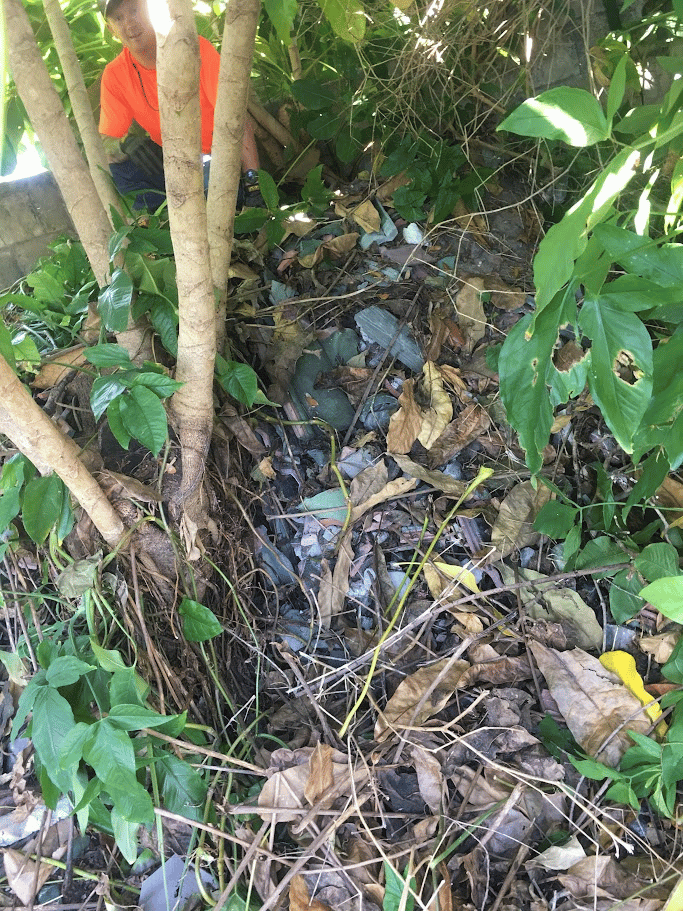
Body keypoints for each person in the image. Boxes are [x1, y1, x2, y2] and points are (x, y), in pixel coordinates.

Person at [98, 0, 263, 210]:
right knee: (123, 159)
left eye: (134, 11)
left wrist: (254, 183)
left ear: (151, 11)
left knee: (207, 192)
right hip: (174, 162)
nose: (129, 23)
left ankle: (236, 198)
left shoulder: (193, 48)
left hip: (218, 155)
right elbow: (109, 142)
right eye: (119, 18)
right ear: (111, 29)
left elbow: (235, 115)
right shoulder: (115, 76)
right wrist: (125, 146)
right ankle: (158, 218)